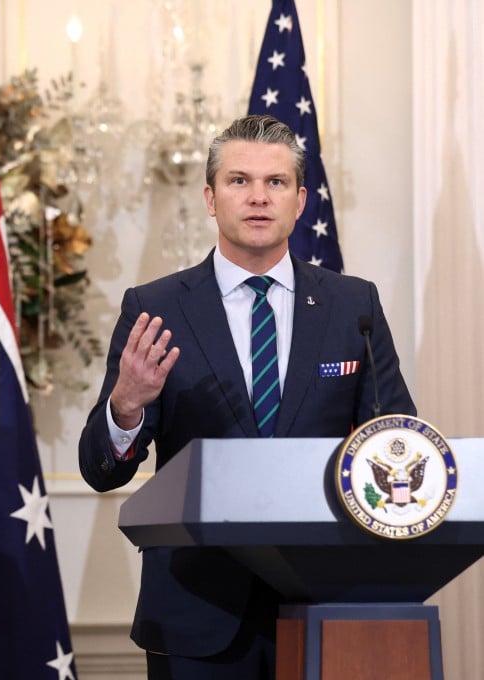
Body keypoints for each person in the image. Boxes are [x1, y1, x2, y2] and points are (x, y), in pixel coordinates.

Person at [78, 114, 415, 679]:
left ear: (301, 199)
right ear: (211, 198)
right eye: (239, 181)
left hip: (328, 608)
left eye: (276, 183)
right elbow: (100, 470)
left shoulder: (352, 306)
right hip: (198, 613)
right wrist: (127, 406)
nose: (258, 197)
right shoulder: (156, 308)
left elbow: (397, 439)